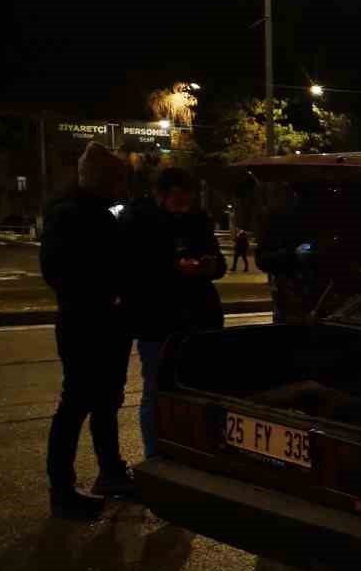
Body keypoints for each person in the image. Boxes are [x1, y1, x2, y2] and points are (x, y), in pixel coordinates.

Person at [40, 142, 134, 520]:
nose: (122, 186)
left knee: (105, 400)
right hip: (87, 322)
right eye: (117, 179)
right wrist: (106, 292)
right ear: (102, 179)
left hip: (103, 321)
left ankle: (109, 472)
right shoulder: (71, 214)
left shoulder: (94, 212)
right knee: (78, 402)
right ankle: (63, 489)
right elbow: (60, 271)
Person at [121, 168, 225, 459]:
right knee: (156, 390)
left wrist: (210, 266)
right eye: (178, 198)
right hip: (158, 320)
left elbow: (219, 263)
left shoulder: (198, 220)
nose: (184, 205)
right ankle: (155, 455)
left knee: (201, 390)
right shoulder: (138, 220)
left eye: (189, 199)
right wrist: (174, 268)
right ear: (160, 194)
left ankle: (196, 451)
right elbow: (133, 270)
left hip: (200, 318)